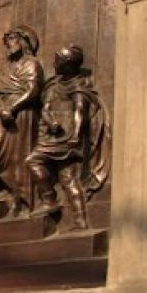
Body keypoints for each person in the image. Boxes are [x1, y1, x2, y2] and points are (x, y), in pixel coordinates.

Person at [27, 45, 111, 229]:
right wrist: (50, 123)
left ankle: (50, 200)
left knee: (35, 162)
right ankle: (79, 220)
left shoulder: (78, 86)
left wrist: (75, 136)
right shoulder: (54, 85)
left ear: (66, 65)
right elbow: (46, 108)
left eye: (57, 60)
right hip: (51, 137)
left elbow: (79, 112)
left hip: (66, 139)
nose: (54, 63)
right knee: (67, 178)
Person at [0, 25, 44, 215]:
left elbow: (33, 90)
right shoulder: (7, 69)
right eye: (7, 42)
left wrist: (12, 108)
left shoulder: (32, 64)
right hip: (4, 115)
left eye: (11, 39)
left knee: (19, 158)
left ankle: (20, 199)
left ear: (23, 41)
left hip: (23, 115)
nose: (8, 45)